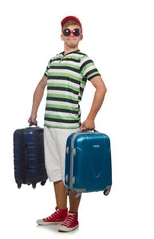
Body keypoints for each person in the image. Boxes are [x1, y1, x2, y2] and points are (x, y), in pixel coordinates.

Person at [28, 15, 107, 232]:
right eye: (67, 31)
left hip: (69, 127)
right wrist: (34, 111)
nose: (71, 34)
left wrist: (91, 117)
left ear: (81, 36)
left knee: (73, 174)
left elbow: (101, 88)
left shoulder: (84, 60)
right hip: (49, 125)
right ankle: (60, 210)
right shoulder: (53, 60)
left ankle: (73, 215)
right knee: (55, 171)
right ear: (61, 35)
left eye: (75, 31)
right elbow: (40, 86)